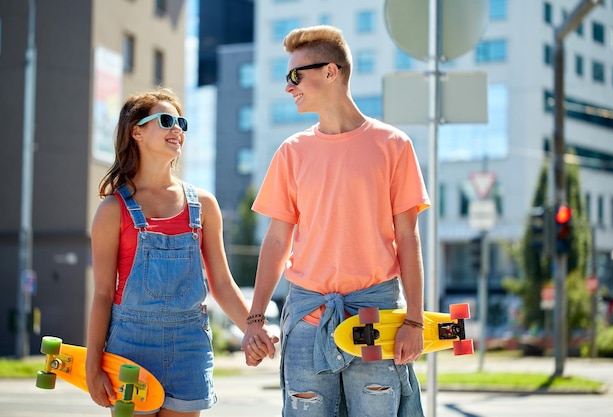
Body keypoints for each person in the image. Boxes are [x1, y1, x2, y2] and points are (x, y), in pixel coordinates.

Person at [242, 25, 431, 417]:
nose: (288, 86)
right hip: (308, 320)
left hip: (376, 318)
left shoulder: (393, 145)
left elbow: (408, 238)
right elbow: (277, 241)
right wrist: (256, 318)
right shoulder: (291, 152)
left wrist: (415, 319)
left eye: (296, 75)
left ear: (331, 71)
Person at [86, 88, 272, 416]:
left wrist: (253, 329)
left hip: (190, 347)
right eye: (167, 120)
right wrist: (93, 365)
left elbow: (223, 285)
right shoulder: (113, 210)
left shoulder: (204, 206)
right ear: (137, 131)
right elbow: (102, 294)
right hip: (130, 347)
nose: (178, 130)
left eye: (181, 123)